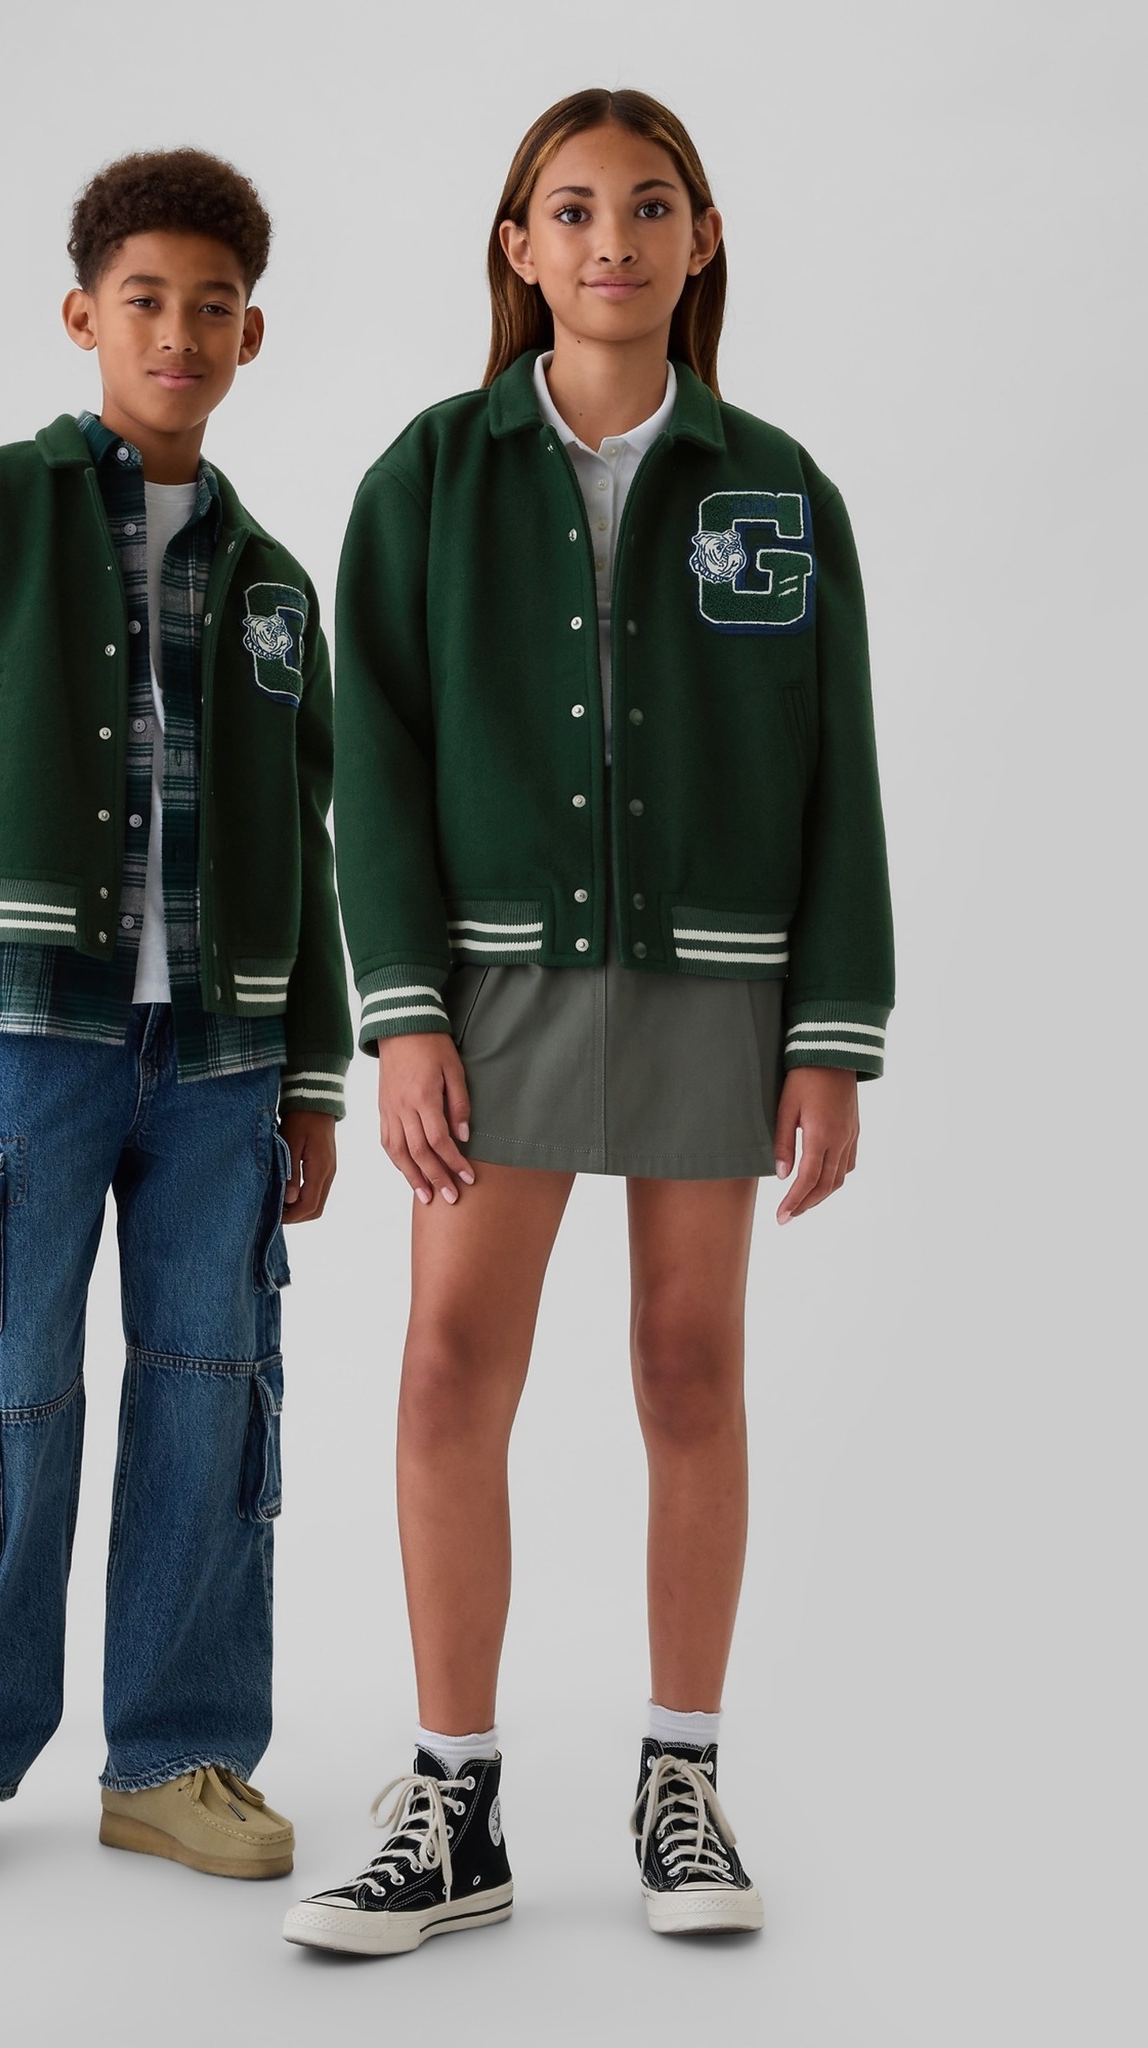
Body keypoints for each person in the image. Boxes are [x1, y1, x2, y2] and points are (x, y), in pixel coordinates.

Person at [284, 88, 892, 1954]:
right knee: (447, 1370)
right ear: (518, 246)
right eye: (571, 208)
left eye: (648, 205)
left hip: (719, 982)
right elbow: (373, 761)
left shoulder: (779, 489)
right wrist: (403, 1014)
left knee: (689, 1368)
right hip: (492, 985)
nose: (611, 238)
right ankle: (453, 1804)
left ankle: (679, 1784)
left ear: (701, 241)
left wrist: (832, 1029)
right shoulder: (427, 477)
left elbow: (839, 770)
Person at [0, 148, 350, 1887]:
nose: (179, 332)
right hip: (32, 1037)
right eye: (146, 301)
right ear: (83, 315)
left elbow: (312, 836)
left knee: (217, 1391)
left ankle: (177, 1756)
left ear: (252, 333)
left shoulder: (273, 581)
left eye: (214, 306)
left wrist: (317, 1076)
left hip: (225, 1063)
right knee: (13, 1380)